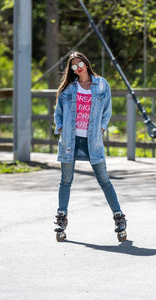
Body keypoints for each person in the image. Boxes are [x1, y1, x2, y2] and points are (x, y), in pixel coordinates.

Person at [54, 51, 127, 241]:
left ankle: (119, 217)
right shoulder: (68, 88)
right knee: (66, 180)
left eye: (80, 64)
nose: (78, 68)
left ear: (86, 63)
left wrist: (102, 128)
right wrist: (61, 128)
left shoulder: (101, 84)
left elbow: (107, 111)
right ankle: (61, 217)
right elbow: (58, 112)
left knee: (104, 180)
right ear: (71, 69)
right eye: (74, 66)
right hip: (70, 140)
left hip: (92, 140)